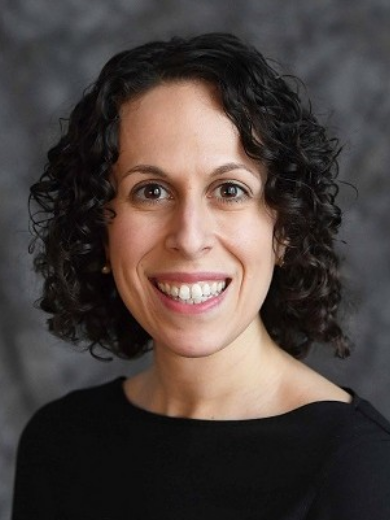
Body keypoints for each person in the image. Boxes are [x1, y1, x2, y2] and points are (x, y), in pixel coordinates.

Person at [12, 32, 390, 519]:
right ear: (98, 227)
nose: (189, 237)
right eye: (150, 192)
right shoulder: (59, 442)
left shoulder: (361, 469)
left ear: (284, 228)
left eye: (229, 190)